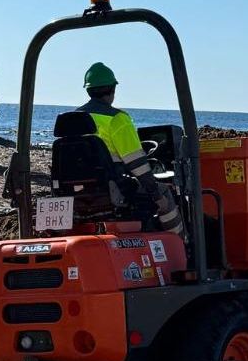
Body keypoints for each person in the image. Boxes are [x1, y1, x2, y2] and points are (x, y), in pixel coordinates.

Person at [77, 62, 186, 238]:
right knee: (165, 193)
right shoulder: (117, 119)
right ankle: (180, 245)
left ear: (88, 90)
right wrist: (155, 192)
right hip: (113, 189)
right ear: (112, 89)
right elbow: (138, 164)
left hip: (79, 192)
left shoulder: (74, 119)